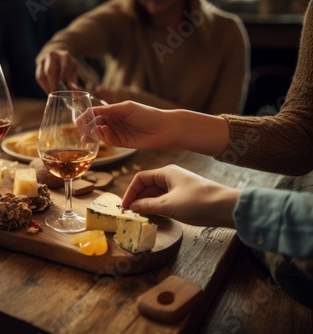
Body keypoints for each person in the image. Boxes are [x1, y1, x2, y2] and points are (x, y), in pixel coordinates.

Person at [92, 0, 313, 308]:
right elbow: (302, 136)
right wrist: (172, 126)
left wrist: (223, 204)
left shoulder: (224, 29)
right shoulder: (119, 15)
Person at [35, 0, 250, 115]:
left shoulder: (227, 33)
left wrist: (125, 98)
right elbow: (62, 43)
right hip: (117, 154)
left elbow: (222, 130)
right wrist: (53, 57)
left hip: (191, 168)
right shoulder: (120, 15)